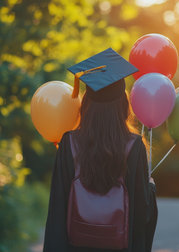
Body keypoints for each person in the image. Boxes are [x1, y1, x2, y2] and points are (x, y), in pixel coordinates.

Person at [43, 48, 158, 252]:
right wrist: (150, 188)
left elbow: (57, 211)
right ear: (123, 105)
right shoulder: (134, 146)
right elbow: (142, 216)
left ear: (86, 103)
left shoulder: (69, 144)